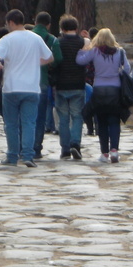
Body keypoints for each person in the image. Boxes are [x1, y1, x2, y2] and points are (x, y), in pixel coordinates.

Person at [0, 9, 53, 167]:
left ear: (11, 22)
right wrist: (36, 63)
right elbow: (49, 57)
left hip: (11, 87)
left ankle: (12, 155)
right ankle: (28, 155)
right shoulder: (36, 38)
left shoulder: (7, 39)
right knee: (29, 123)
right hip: (31, 87)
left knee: (11, 123)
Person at [77, 27, 130, 164]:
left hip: (99, 89)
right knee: (114, 121)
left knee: (102, 122)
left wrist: (82, 49)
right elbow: (128, 70)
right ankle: (114, 150)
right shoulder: (120, 52)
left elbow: (80, 61)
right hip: (115, 90)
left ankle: (104, 153)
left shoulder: (95, 51)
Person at [54, 14, 87, 160]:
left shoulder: (58, 42)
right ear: (76, 27)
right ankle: (76, 144)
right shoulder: (82, 42)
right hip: (78, 84)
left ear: (62, 28)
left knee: (63, 118)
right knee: (77, 116)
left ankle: (65, 149)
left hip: (61, 84)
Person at [30, 12, 61, 160]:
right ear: (49, 25)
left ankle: (24, 146)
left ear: (35, 22)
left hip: (26, 82)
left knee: (25, 116)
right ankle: (36, 148)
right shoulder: (52, 39)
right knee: (40, 118)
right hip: (42, 81)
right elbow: (57, 59)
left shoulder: (27, 36)